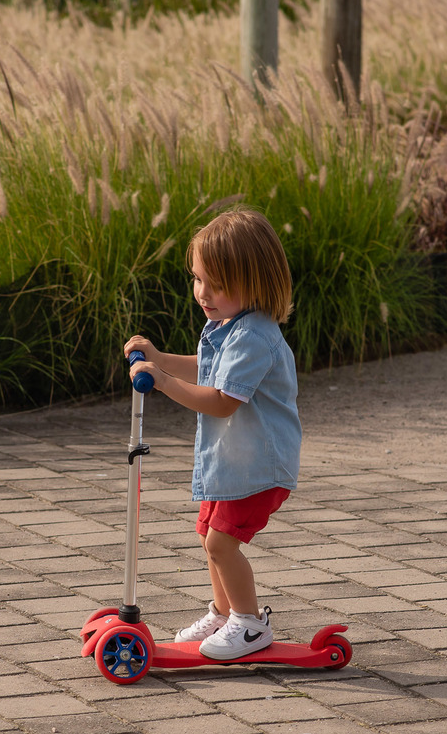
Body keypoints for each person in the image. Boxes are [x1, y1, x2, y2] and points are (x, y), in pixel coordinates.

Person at [124, 208, 301, 661]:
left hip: (260, 464)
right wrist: (160, 358)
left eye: (217, 285)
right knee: (209, 533)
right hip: (232, 460)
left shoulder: (254, 337)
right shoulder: (229, 325)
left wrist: (163, 382)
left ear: (256, 283)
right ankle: (224, 614)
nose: (203, 293)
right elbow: (207, 368)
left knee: (221, 542)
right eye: (199, 279)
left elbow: (222, 398)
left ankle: (248, 624)